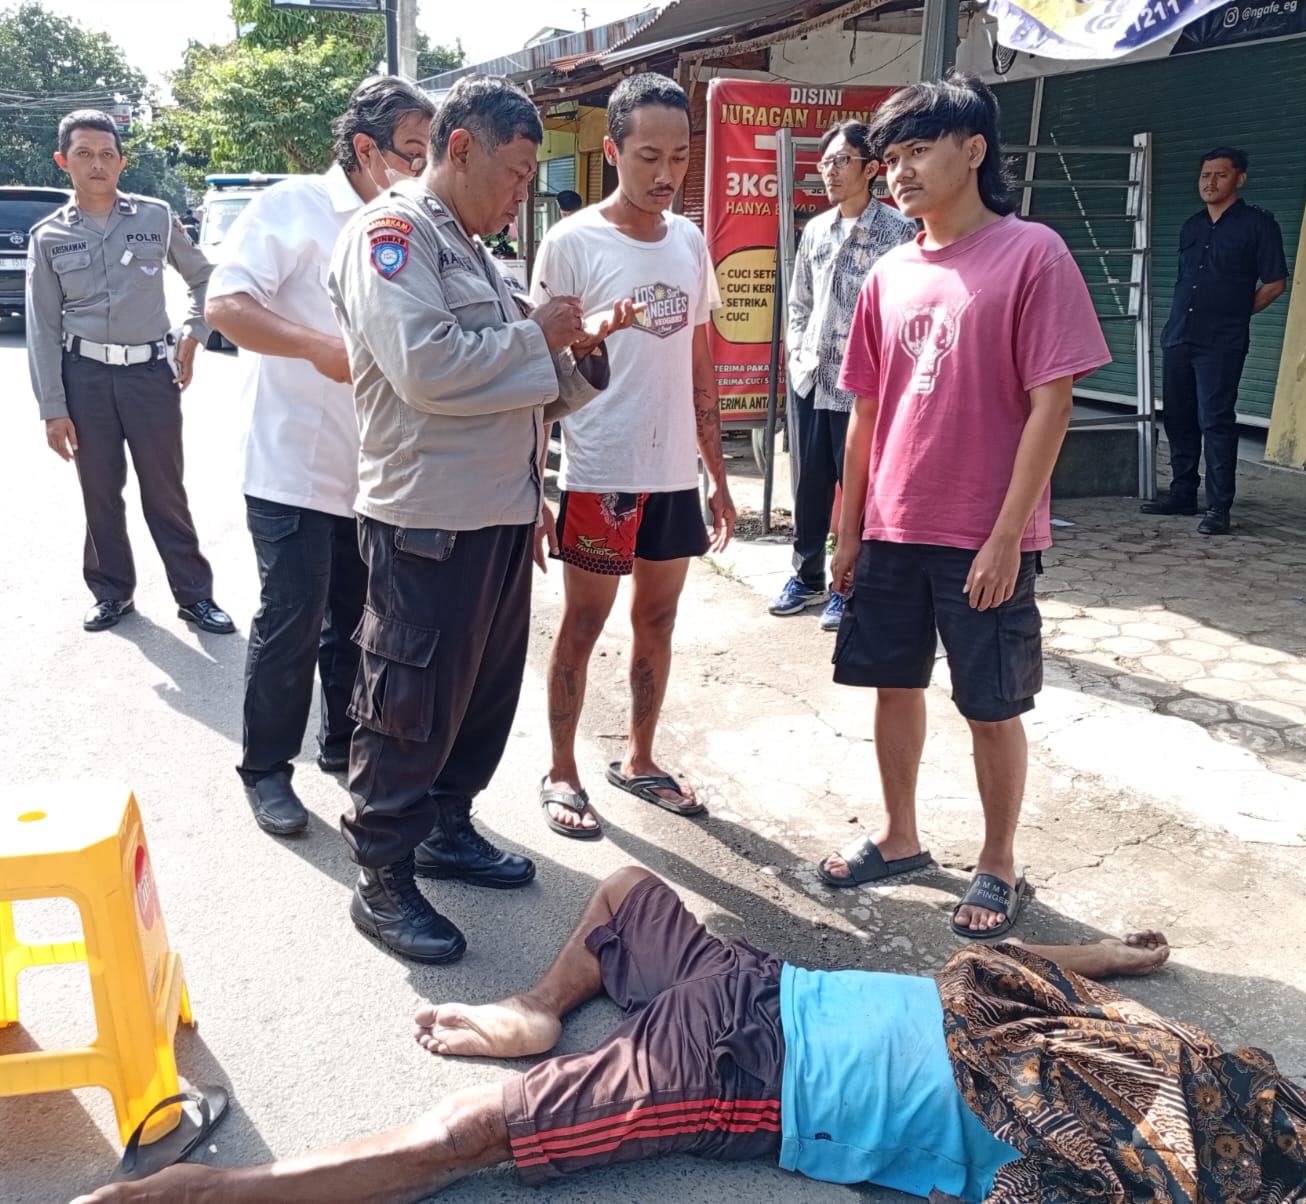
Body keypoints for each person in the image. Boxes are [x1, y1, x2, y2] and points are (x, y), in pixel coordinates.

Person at [73, 867, 1306, 1204]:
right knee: (635, 898)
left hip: (745, 1074)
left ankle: (215, 1193)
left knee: (468, 1140)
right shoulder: (1125, 1047)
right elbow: (983, 964)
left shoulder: (1105, 1167)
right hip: (762, 987)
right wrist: (1103, 959)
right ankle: (539, 1007)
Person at [327, 75, 636, 964]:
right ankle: (381, 878)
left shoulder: (475, 254)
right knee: (407, 703)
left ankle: (445, 826)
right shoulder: (392, 236)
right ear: (458, 148)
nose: (520, 194)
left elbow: (514, 390)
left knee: (478, 697)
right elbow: (429, 369)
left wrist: (583, 362)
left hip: (498, 515)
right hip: (426, 518)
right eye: (514, 171)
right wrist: (540, 337)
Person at [816, 75, 1111, 939]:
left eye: (917, 151)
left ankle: (998, 863)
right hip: (892, 526)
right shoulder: (890, 271)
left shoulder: (1033, 255)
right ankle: (901, 836)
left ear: (973, 150)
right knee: (892, 687)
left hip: (981, 533)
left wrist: (1007, 536)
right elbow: (866, 413)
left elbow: (1052, 404)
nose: (898, 172)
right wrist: (847, 532)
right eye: (891, 157)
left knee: (990, 704)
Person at [205, 77, 437, 838]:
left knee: (359, 619)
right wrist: (316, 347)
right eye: (412, 153)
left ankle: (343, 744)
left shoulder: (413, 224)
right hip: (292, 466)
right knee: (295, 617)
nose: (422, 168)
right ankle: (267, 768)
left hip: (372, 468)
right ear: (365, 149)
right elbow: (226, 306)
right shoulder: (293, 207)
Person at [532, 73, 735, 840]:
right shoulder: (573, 241)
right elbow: (537, 372)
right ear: (612, 150)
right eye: (649, 154)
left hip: (670, 475)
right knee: (583, 623)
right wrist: (534, 487)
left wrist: (716, 477)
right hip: (600, 474)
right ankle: (560, 770)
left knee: (659, 618)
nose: (666, 173)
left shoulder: (688, 241)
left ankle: (640, 759)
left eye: (680, 156)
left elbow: (698, 362)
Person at [27, 110, 234, 636]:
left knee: (165, 491)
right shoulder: (49, 236)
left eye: (106, 154)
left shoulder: (156, 217)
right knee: (99, 489)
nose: (97, 164)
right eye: (84, 154)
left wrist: (193, 335)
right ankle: (112, 593)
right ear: (62, 161)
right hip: (85, 378)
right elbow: (42, 329)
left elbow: (206, 279)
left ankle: (195, 597)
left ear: (121, 161)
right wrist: (53, 408)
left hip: (149, 377)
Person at [769, 120, 915, 632]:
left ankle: (848, 585)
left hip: (866, 391)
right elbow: (800, 300)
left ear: (871, 169)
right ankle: (806, 576)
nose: (828, 172)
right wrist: (797, 356)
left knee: (861, 487)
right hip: (815, 379)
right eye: (825, 162)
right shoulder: (815, 229)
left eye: (840, 161)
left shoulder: (900, 233)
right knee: (811, 487)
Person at [1144, 146, 1288, 536]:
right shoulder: (1191, 226)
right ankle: (1183, 493)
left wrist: (1236, 314)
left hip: (1220, 343)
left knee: (1216, 421)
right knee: (1178, 417)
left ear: (1239, 179)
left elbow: (1275, 283)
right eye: (1205, 175)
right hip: (1180, 336)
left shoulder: (1258, 225)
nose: (1210, 182)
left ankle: (1219, 507)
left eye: (1220, 175)